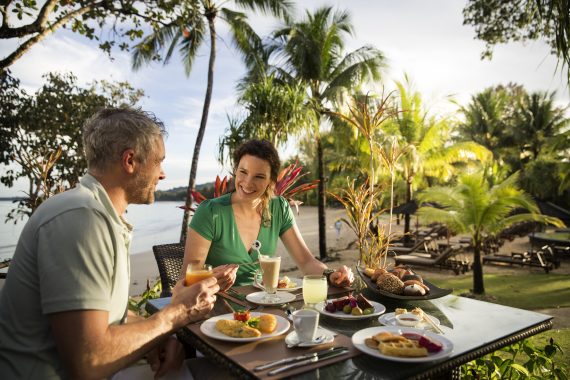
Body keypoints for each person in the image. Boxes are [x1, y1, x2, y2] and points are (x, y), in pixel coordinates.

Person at [0, 108, 225, 379]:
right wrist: (178, 313)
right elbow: (89, 361)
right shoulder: (81, 218)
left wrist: (155, 336)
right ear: (130, 160)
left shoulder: (98, 215)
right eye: (159, 162)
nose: (162, 174)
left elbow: (108, 315)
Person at [182, 139, 354, 287]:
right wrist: (214, 278)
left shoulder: (279, 208)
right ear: (236, 171)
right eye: (243, 172)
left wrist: (331, 275)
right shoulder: (211, 212)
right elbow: (188, 277)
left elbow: (306, 261)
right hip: (215, 308)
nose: (247, 183)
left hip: (263, 305)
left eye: (259, 177)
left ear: (271, 182)